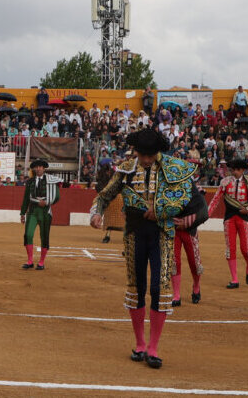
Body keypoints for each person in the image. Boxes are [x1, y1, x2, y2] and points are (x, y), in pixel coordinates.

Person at [90, 129, 199, 369]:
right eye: (143, 155)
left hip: (162, 233)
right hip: (134, 234)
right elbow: (104, 195)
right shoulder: (127, 169)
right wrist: (96, 212)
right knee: (136, 286)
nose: (147, 160)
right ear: (136, 151)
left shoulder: (173, 168)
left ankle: (153, 348)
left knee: (159, 288)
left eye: (151, 155)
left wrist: (182, 218)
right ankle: (140, 344)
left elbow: (194, 202)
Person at [208, 158, 248, 288]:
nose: (234, 172)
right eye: (232, 169)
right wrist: (207, 214)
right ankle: (234, 279)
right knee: (230, 249)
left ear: (243, 170)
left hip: (244, 218)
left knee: (245, 249)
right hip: (229, 218)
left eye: (237, 170)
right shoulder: (225, 182)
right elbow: (216, 199)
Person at [20, 158, 59, 269]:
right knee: (28, 234)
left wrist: (46, 202)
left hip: (45, 212)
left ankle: (41, 262)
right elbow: (26, 198)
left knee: (44, 236)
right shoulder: (30, 182)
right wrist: (22, 213)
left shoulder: (50, 180)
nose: (38, 169)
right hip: (32, 211)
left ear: (44, 168)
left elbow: (57, 196)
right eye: (36, 167)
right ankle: (30, 261)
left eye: (40, 167)